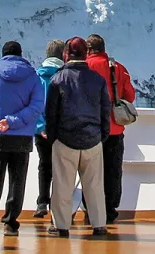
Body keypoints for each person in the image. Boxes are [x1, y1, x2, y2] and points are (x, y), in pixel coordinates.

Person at [0, 41, 44, 236]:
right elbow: (37, 106)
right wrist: (15, 121)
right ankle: (10, 223)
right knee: (17, 180)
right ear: (21, 54)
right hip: (22, 134)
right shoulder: (32, 76)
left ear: (3, 54)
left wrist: (5, 120)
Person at [45, 36, 111, 238]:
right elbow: (105, 110)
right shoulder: (97, 80)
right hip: (92, 139)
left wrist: (53, 137)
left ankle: (61, 226)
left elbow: (51, 113)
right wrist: (102, 135)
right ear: (86, 54)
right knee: (94, 185)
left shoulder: (58, 79)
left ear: (66, 54)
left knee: (62, 186)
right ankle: (99, 225)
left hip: (65, 139)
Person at [86, 34, 136, 225]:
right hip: (115, 128)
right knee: (113, 170)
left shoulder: (85, 67)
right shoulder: (117, 68)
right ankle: (109, 210)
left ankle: (91, 209)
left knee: (90, 171)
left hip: (90, 129)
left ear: (88, 49)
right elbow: (129, 96)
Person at [33, 40, 65, 219]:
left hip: (41, 130)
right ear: (63, 54)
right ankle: (58, 205)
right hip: (61, 129)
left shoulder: (37, 75)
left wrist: (40, 126)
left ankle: (42, 202)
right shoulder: (65, 75)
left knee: (44, 166)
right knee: (61, 167)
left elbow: (34, 103)